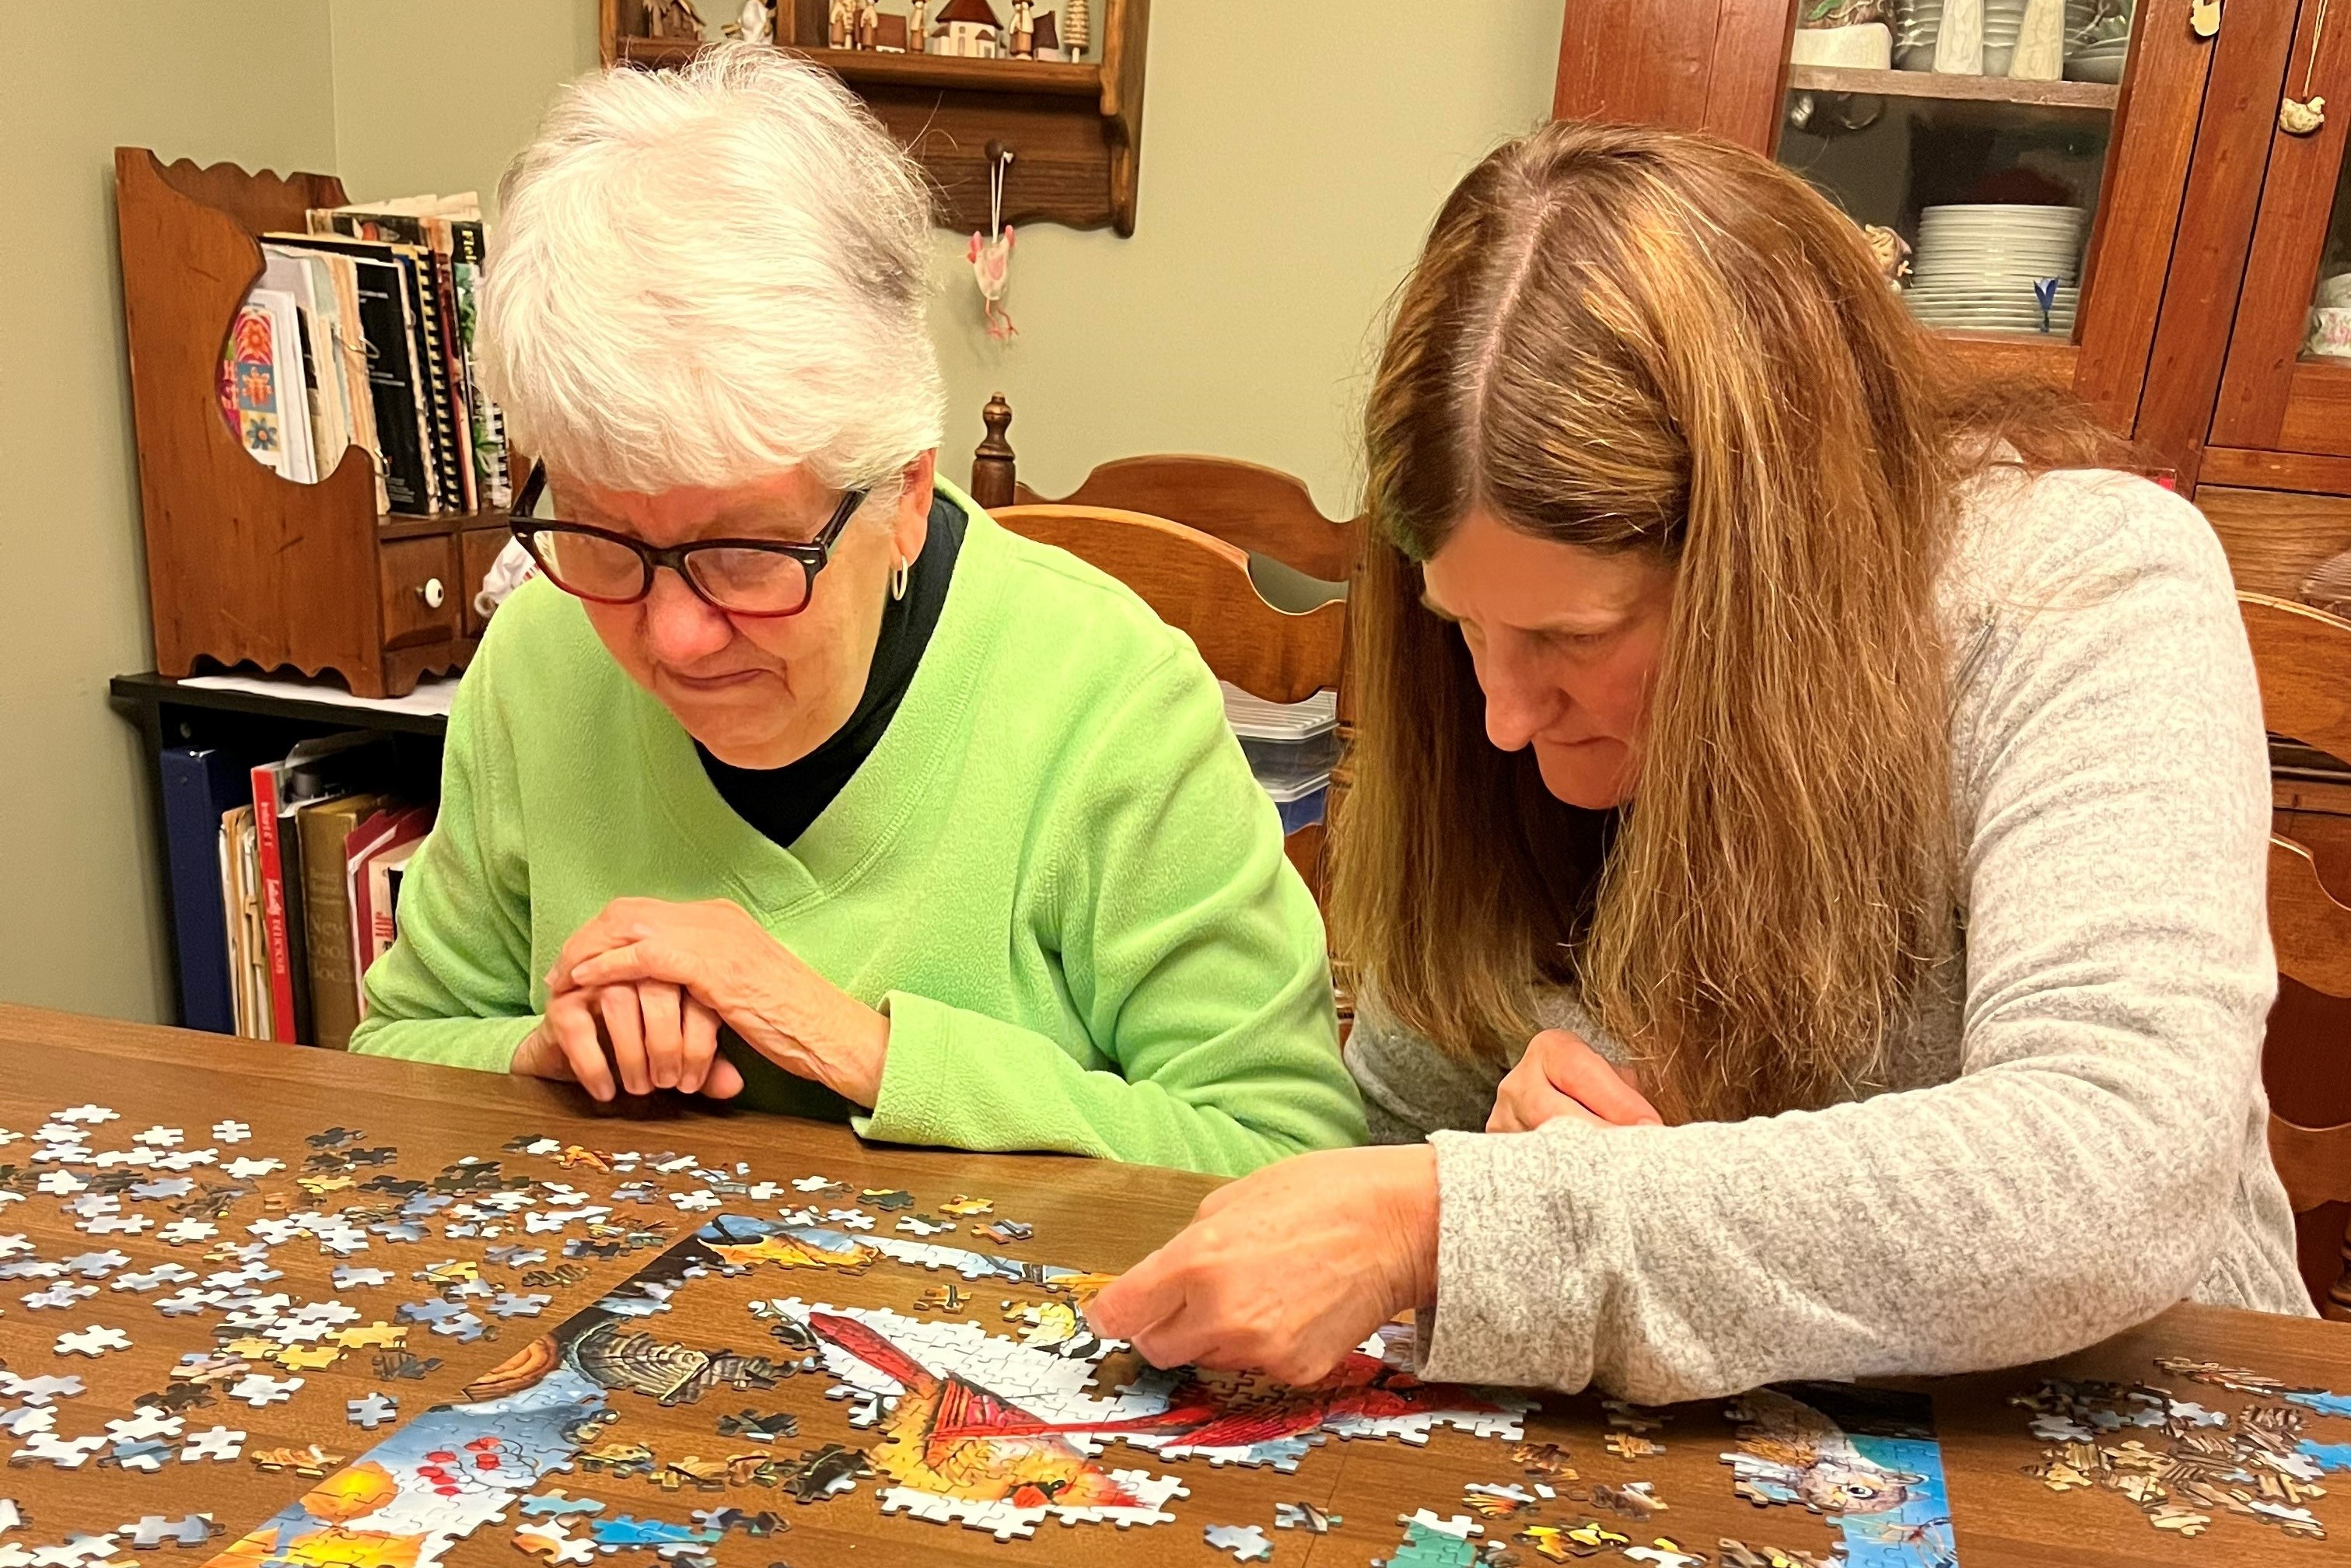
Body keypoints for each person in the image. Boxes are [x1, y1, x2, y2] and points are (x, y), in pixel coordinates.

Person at [1089, 121, 2311, 1397]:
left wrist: (1478, 1218)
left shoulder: (2086, 586)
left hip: (2150, 1451)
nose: (1504, 715)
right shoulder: (1491, 731)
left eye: (1572, 635)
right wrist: (1508, 1163)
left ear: (1768, 566)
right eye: (1465, 631)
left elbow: (2110, 1169)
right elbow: (1397, 1138)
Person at [346, 45, 1366, 1178]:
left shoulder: (1111, 701)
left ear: (907, 492)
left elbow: (1290, 1158)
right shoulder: (539, 657)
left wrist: (867, 1050)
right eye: (603, 537)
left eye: (744, 553)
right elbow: (396, 1052)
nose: (674, 635)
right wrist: (542, 1049)